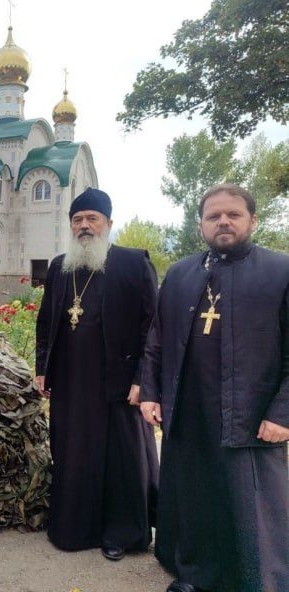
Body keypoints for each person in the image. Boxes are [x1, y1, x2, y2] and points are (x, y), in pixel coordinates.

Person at [141, 184, 288, 592]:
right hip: (189, 410)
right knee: (194, 495)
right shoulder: (182, 273)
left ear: (252, 220)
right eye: (213, 216)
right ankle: (195, 575)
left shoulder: (281, 271)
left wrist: (283, 414)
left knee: (248, 503)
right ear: (201, 225)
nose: (223, 221)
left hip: (250, 411)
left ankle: (256, 580)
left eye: (233, 214)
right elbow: (157, 339)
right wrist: (150, 391)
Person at [35, 187, 159, 559]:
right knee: (74, 453)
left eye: (92, 218)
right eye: (77, 219)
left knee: (120, 458)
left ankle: (121, 533)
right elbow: (46, 323)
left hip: (118, 384)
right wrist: (43, 369)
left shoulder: (134, 263)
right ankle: (73, 527)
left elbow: (151, 327)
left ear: (108, 223)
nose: (84, 226)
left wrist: (142, 378)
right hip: (71, 382)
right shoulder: (60, 267)